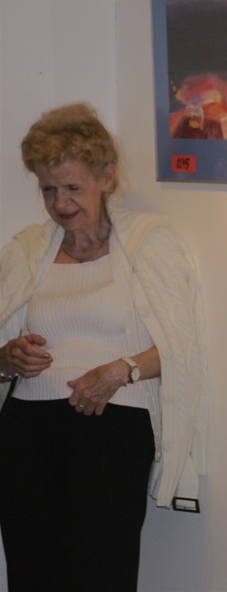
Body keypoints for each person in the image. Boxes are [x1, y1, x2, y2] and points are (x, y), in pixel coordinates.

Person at [0, 103, 209, 592]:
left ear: (106, 177)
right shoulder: (28, 250)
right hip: (28, 431)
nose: (60, 203)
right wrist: (8, 357)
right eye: (48, 189)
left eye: (73, 188)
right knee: (32, 575)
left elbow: (183, 349)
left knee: (103, 574)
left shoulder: (148, 244)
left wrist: (122, 370)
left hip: (112, 429)